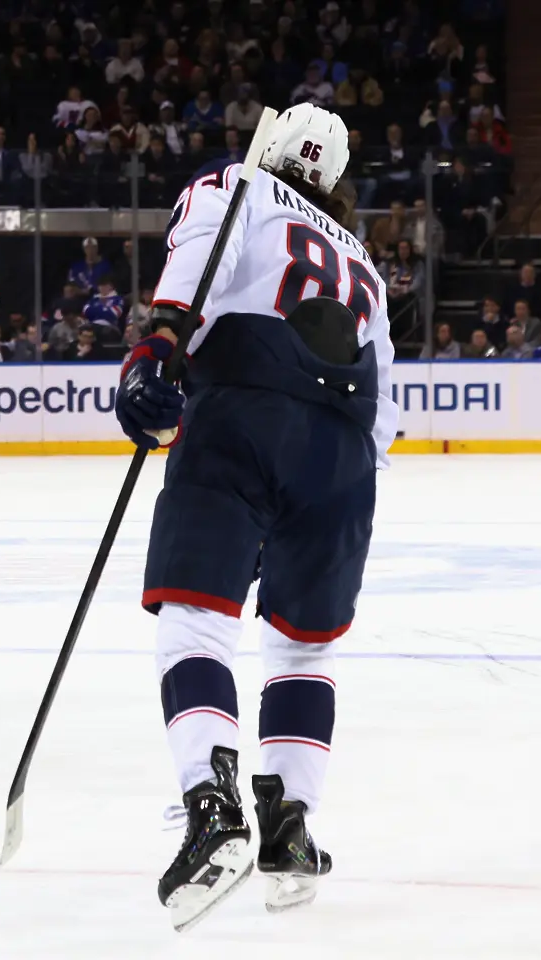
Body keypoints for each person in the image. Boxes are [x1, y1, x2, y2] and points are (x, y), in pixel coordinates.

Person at [113, 105, 394, 929]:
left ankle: (212, 811)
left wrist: (157, 347)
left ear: (267, 149)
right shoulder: (364, 264)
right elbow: (383, 401)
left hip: (242, 411)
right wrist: (336, 487)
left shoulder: (236, 185)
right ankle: (289, 828)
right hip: (342, 454)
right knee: (304, 645)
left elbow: (201, 260)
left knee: (195, 619)